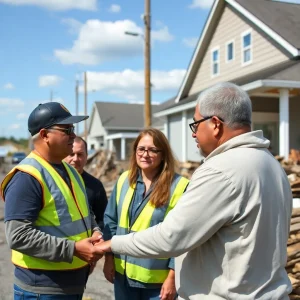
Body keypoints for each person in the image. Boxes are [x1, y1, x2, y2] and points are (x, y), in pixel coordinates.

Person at [96, 82, 293, 299]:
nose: (193, 134)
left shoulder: (221, 170)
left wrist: (110, 244)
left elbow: (172, 237)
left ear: (215, 124)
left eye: (196, 124)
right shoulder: (272, 165)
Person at [1, 102, 103, 299]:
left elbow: (84, 212)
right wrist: (73, 249)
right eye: (67, 129)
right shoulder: (27, 177)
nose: (73, 134)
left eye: (73, 129)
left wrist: (96, 232)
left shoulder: (72, 172)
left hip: (71, 285)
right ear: (44, 135)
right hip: (42, 290)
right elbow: (18, 235)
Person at [102, 128, 189, 300]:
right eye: (141, 149)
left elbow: (182, 236)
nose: (145, 154)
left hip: (158, 282)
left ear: (163, 154)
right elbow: (110, 220)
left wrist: (172, 277)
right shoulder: (124, 180)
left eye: (153, 150)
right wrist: (109, 258)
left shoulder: (180, 186)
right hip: (123, 277)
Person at [64, 136, 108, 230]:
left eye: (80, 154)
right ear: (64, 155)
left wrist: (97, 236)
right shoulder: (53, 181)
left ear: (86, 156)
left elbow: (103, 219)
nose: (75, 159)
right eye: (71, 154)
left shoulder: (95, 186)